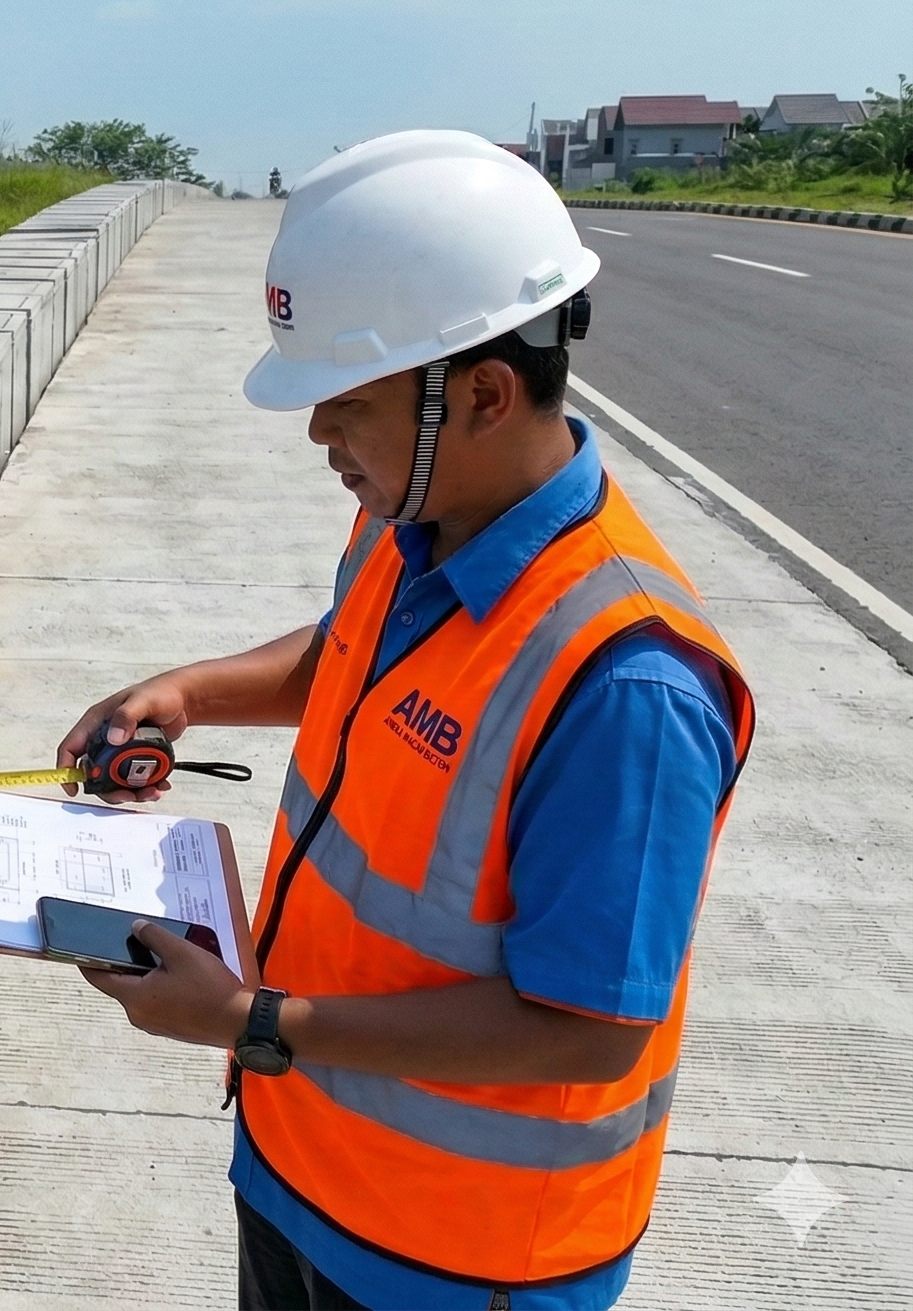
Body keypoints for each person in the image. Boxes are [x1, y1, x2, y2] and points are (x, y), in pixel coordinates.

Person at [62, 131, 751, 1311]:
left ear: (480, 393)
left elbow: (587, 1031)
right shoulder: (411, 520)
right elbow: (353, 659)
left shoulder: (626, 686)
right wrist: (190, 691)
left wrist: (248, 1019)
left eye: (347, 405)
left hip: (461, 1259)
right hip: (297, 1165)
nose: (318, 437)